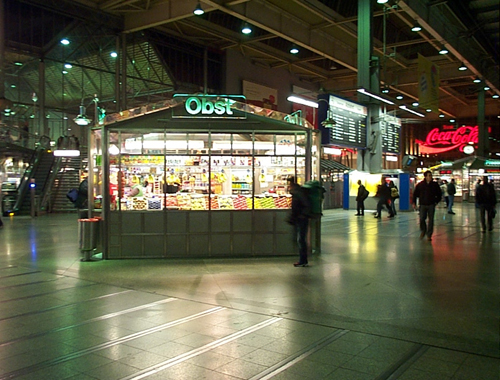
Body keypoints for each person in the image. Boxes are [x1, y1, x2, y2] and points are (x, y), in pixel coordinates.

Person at [287, 177, 311, 267]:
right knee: (300, 239)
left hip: (302, 219)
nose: (288, 187)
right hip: (299, 218)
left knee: (301, 239)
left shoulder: (298, 193)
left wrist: (302, 215)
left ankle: (303, 259)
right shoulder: (297, 192)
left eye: (289, 185)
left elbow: (304, 205)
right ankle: (303, 259)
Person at [412, 171, 442, 241]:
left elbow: (439, 194)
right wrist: (414, 202)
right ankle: (423, 230)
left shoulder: (435, 185)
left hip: (431, 204)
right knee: (422, 218)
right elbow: (415, 194)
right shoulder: (420, 185)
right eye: (429, 176)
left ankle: (429, 234)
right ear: (425, 176)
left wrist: (436, 202)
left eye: (431, 176)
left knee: (431, 220)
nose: (430, 177)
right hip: (423, 204)